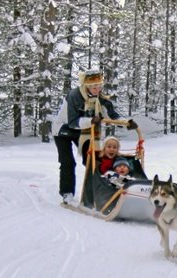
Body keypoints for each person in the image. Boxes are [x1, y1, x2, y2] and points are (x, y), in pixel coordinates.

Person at [51, 70, 137, 204]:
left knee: (92, 161)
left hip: (84, 131)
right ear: (86, 87)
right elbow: (73, 121)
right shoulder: (74, 96)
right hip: (63, 130)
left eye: (99, 86)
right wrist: (91, 121)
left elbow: (111, 114)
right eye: (94, 87)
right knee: (68, 162)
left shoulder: (100, 97)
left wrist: (126, 123)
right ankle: (67, 193)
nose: (98, 89)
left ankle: (98, 192)